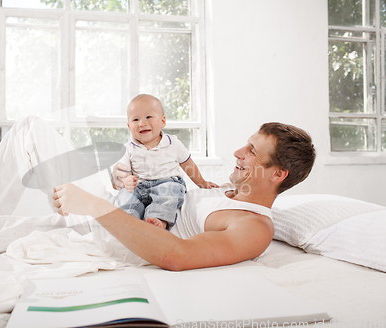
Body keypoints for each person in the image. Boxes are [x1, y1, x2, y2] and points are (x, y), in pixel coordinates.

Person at [53, 121, 316, 271]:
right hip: (119, 211)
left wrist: (93, 206)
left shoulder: (254, 227)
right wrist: (121, 180)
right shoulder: (226, 190)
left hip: (120, 238)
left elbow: (176, 255)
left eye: (252, 151)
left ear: (278, 174)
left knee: (30, 133)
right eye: (245, 144)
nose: (237, 152)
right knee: (31, 131)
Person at [115, 94, 218, 230]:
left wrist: (202, 183)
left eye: (148, 117)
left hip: (166, 182)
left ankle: (158, 220)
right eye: (135, 119)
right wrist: (126, 181)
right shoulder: (128, 148)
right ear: (129, 126)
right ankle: (130, 219)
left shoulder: (173, 143)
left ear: (163, 121)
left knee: (171, 192)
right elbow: (123, 171)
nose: (142, 123)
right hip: (139, 187)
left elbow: (188, 165)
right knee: (124, 195)